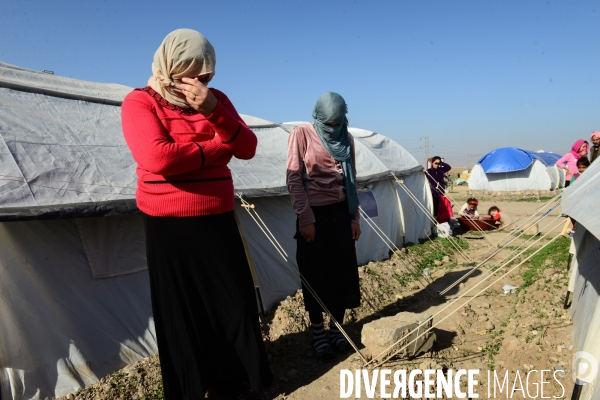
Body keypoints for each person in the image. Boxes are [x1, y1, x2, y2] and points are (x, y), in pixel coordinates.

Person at [121, 29, 272, 400]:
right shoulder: (141, 102)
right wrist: (214, 150)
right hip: (168, 228)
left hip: (217, 220)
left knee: (232, 306)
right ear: (174, 68)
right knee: (183, 314)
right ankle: (193, 388)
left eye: (208, 75)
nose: (202, 82)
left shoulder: (216, 101)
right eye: (195, 74)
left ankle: (240, 382)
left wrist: (214, 112)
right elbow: (158, 158)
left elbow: (247, 147)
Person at [286, 92, 361, 363]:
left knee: (341, 273)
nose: (333, 128)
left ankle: (336, 329)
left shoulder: (347, 137)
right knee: (316, 275)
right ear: (318, 117)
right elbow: (294, 178)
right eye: (328, 123)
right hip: (314, 216)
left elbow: (352, 180)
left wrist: (355, 218)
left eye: (338, 123)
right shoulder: (303, 134)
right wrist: (305, 218)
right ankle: (318, 333)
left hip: (341, 214)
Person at [426, 156, 451, 220]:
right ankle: (434, 220)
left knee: (441, 205)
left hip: (441, 190)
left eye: (438, 164)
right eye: (435, 163)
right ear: (432, 163)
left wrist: (441, 163)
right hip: (433, 191)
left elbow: (448, 167)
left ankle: (440, 219)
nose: (437, 165)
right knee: (434, 206)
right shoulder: (429, 171)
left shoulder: (441, 170)